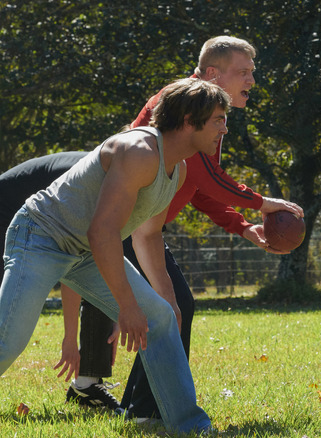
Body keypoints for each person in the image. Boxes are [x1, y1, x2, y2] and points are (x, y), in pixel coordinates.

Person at [60, 35, 304, 422]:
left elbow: (197, 187)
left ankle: (141, 408)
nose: (252, 81)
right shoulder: (177, 104)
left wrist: (242, 226)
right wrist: (261, 202)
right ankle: (142, 409)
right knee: (168, 310)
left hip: (143, 229)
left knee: (170, 309)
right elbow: (209, 176)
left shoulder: (209, 116)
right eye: (243, 72)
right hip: (116, 229)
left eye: (252, 73)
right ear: (212, 73)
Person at [0, 77, 229, 433]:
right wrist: (127, 305)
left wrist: (168, 302)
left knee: (162, 318)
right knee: (7, 341)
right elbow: (102, 231)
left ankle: (189, 426)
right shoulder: (138, 152)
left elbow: (148, 235)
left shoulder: (176, 168)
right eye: (218, 119)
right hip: (41, 237)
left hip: (85, 251)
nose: (224, 129)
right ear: (188, 120)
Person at [0, 152, 123, 410]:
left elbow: (90, 265)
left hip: (37, 218)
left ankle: (87, 384)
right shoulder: (107, 184)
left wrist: (118, 311)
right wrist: (69, 339)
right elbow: (71, 265)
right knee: (7, 329)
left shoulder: (123, 181)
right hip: (10, 209)